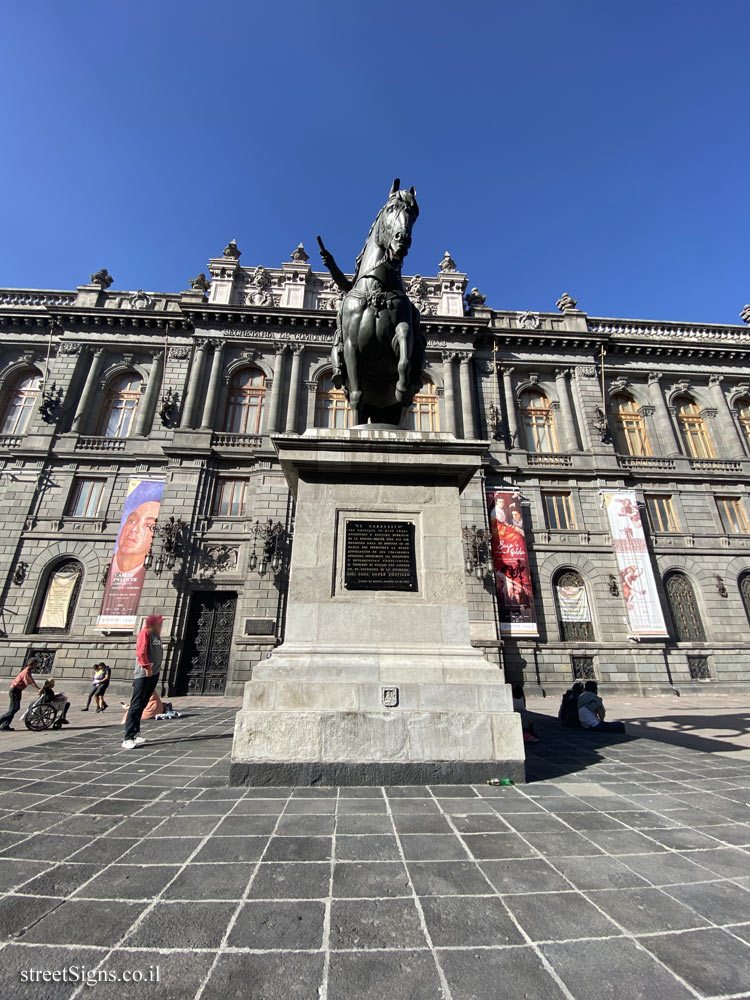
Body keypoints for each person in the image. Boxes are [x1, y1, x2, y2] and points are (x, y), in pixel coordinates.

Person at [122, 614, 163, 750]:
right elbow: (141, 652)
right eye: (159, 623)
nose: (161, 625)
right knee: (136, 704)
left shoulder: (156, 635)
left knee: (143, 703)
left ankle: (136, 733)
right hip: (144, 674)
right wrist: (147, 667)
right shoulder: (145, 633)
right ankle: (128, 738)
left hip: (153, 673)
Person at [0, 658, 40, 731]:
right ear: (32, 664)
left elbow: (31, 680)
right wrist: (38, 689)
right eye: (35, 664)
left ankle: (5, 725)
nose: (36, 666)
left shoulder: (27, 671)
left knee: (12, 708)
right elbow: (30, 682)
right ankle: (2, 721)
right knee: (15, 708)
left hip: (17, 690)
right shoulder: (26, 672)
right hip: (15, 690)